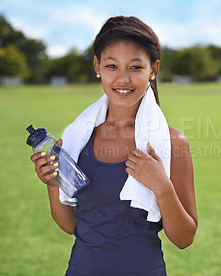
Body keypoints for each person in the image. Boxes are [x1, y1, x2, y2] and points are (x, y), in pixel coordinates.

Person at [30, 16, 198, 275]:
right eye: (111, 66)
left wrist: (163, 187)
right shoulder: (77, 138)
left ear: (153, 69)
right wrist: (53, 184)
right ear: (97, 66)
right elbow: (72, 226)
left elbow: (184, 238)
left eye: (135, 67)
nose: (123, 79)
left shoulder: (172, 142)